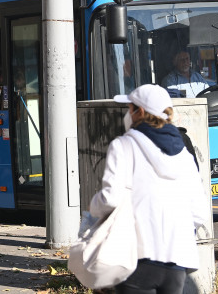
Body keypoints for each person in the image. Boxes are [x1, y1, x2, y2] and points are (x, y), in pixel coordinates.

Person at [89, 84, 207, 293]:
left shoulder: (124, 145)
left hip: (136, 256)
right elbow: (199, 213)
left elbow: (110, 198)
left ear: (140, 112)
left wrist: (93, 208)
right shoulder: (184, 155)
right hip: (177, 260)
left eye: (129, 108)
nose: (127, 114)